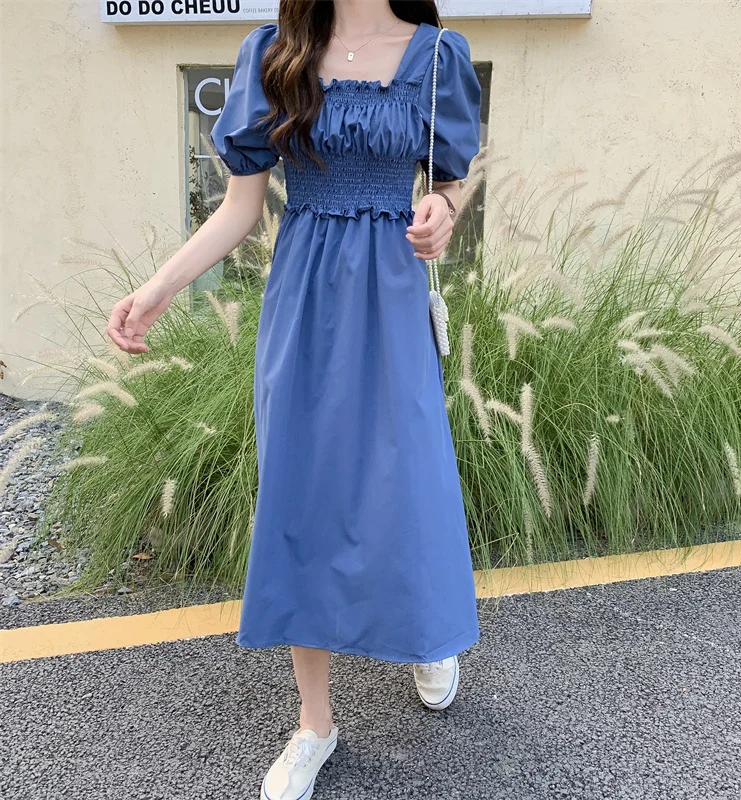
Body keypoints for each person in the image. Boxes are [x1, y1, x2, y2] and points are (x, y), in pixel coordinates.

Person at [106, 1, 483, 797]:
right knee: (300, 495)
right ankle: (316, 723)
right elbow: (241, 208)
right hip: (305, 304)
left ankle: (426, 632)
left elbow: (449, 180)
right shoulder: (276, 53)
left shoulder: (437, 56)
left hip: (392, 300)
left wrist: (444, 209)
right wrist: (159, 289)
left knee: (408, 484)